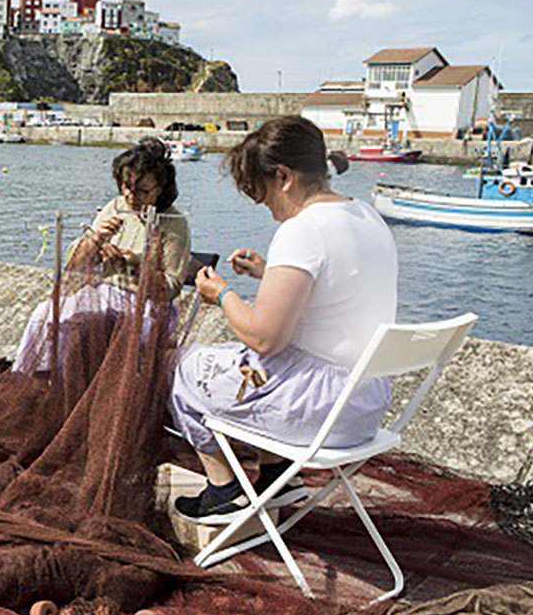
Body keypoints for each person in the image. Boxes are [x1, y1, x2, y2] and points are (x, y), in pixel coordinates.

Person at [169, 116, 398, 523]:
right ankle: (277, 476)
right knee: (235, 358)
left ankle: (223, 490)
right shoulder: (366, 216)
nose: (269, 208)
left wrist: (220, 294)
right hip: (364, 401)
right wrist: (269, 272)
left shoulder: (304, 229)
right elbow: (336, 291)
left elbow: (264, 338)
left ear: (284, 177)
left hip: (318, 406)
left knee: (180, 366)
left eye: (264, 194)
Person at [12, 138, 189, 372]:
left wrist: (134, 263)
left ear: (160, 189)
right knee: (44, 315)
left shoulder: (173, 223)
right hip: (104, 293)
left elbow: (171, 287)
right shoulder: (115, 207)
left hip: (145, 306)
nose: (131, 197)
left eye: (142, 190)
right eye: (126, 186)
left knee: (87, 325)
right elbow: (74, 263)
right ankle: (36, 379)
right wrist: (96, 239)